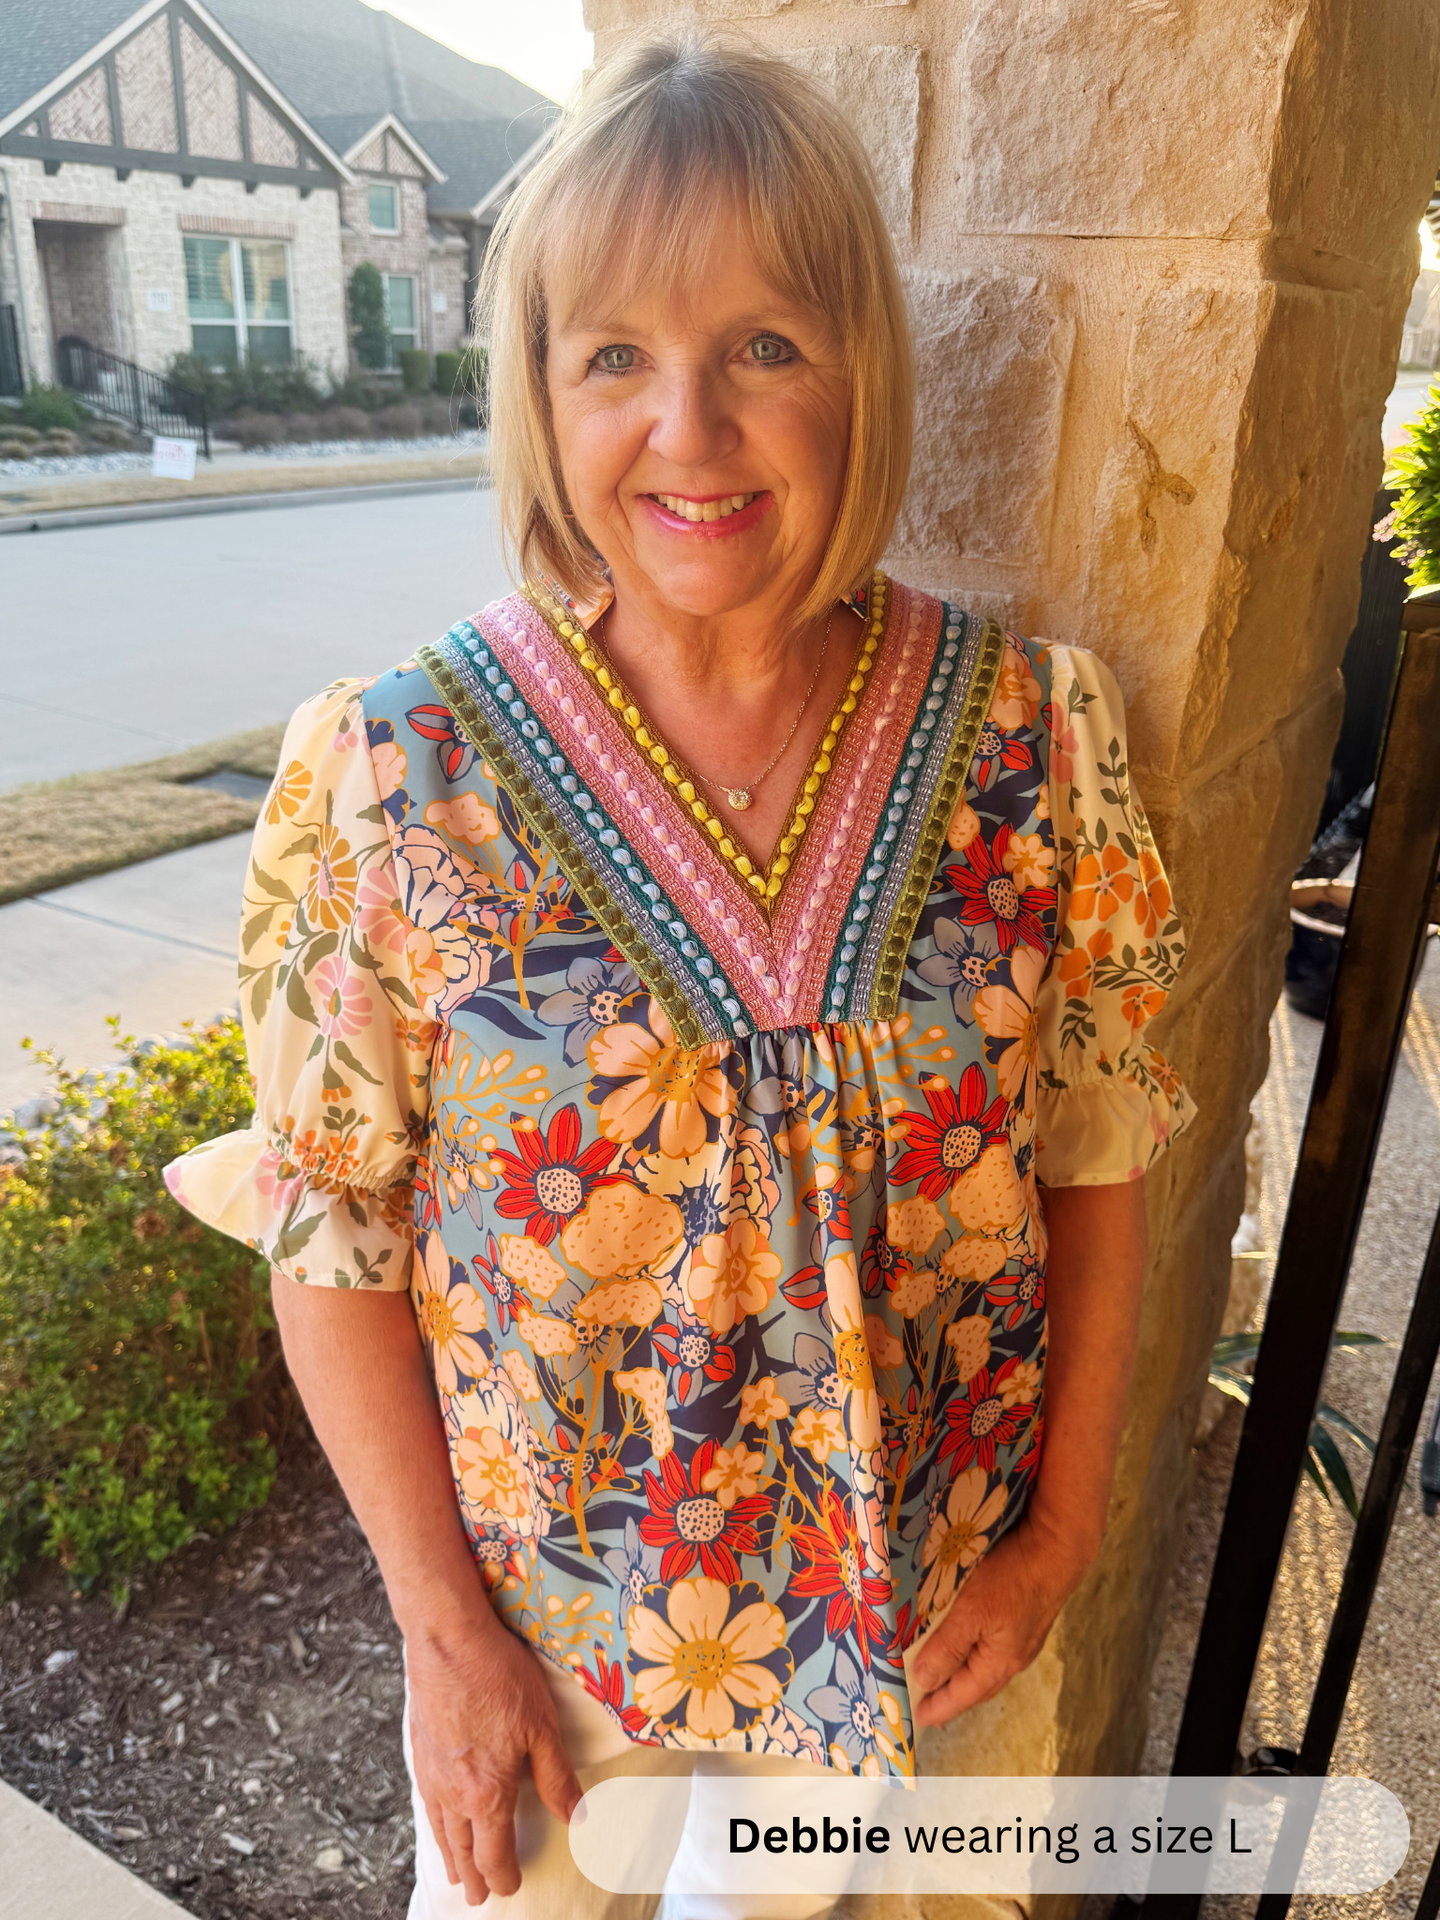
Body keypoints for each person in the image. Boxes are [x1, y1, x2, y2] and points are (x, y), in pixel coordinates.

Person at [166, 34, 1195, 1920]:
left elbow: (1096, 1151)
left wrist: (1055, 1543)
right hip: (554, 1667)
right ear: (543, 400)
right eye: (615, 356)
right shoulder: (387, 775)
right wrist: (445, 1650)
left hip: (910, 1643)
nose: (691, 430)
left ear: (860, 375)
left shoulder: (1036, 741)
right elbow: (337, 1244)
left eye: (767, 348)